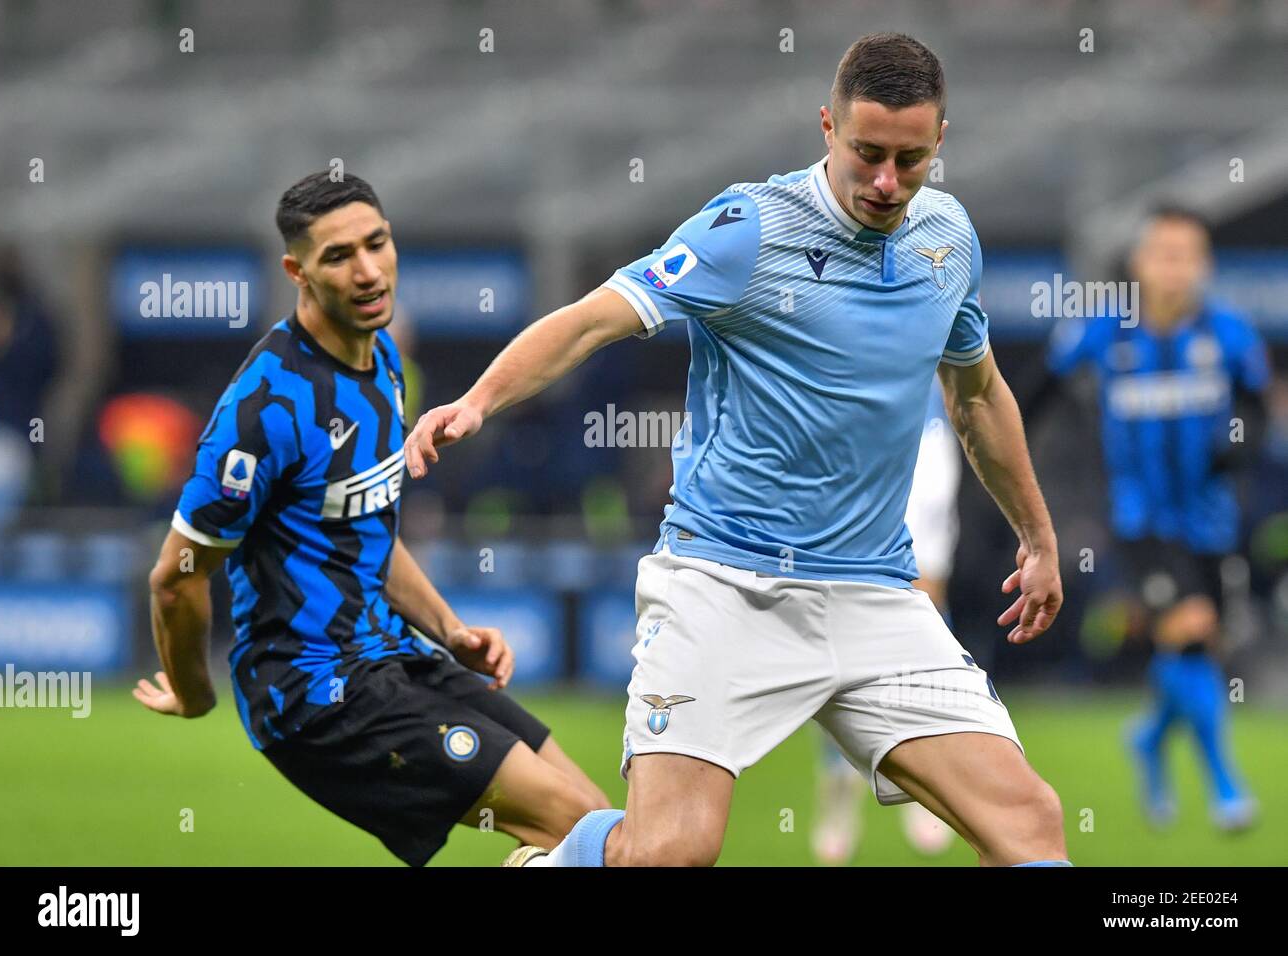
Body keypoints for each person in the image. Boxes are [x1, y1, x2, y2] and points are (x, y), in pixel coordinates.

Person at [407, 33, 1068, 867]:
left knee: (1030, 824)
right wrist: (477, 401)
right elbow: (592, 320)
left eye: (910, 159)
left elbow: (977, 397)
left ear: (943, 140)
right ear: (828, 127)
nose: (887, 182)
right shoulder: (746, 230)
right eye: (866, 154)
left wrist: (1037, 537)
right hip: (725, 585)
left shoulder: (950, 238)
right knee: (670, 854)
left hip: (875, 594)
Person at [136, 172, 607, 866]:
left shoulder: (384, 359)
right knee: (577, 829)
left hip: (392, 653)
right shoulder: (261, 414)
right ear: (297, 270)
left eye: (376, 244)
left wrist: (448, 629)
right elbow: (175, 577)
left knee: (597, 825)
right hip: (316, 694)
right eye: (337, 256)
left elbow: (364, 536)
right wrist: (193, 689)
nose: (366, 271)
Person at [1040, 205, 1267, 831]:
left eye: (1187, 255)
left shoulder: (1228, 332)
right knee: (1191, 629)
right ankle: (1225, 784)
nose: (1175, 268)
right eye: (1163, 253)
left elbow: (1257, 408)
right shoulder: (1105, 330)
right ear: (1139, 262)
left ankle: (1148, 739)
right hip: (1139, 523)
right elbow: (1037, 393)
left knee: (1194, 650)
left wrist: (1238, 446)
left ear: (1205, 264)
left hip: (1211, 523)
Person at [811, 380, 959, 863]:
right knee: (844, 633)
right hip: (857, 435)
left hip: (925, 435)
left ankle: (929, 784)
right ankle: (837, 789)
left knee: (926, 615)